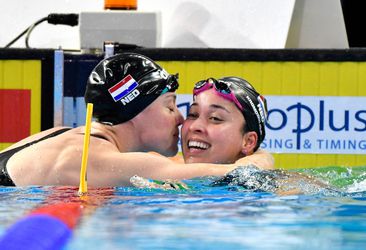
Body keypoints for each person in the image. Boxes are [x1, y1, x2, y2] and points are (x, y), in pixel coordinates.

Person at [0, 53, 273, 187]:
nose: (181, 121)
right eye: (170, 107)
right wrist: (262, 158)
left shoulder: (61, 135)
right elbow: (233, 173)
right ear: (138, 111)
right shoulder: (97, 158)